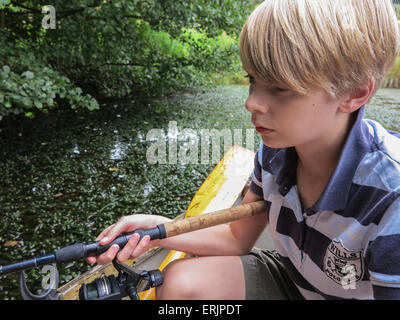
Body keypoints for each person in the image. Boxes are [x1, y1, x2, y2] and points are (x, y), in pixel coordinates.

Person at [88, 0, 400, 300]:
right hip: (293, 281)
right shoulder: (274, 153)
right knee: (178, 282)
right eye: (253, 80)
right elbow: (236, 238)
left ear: (354, 93)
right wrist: (153, 229)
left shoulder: (391, 198)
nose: (252, 103)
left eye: (280, 87)